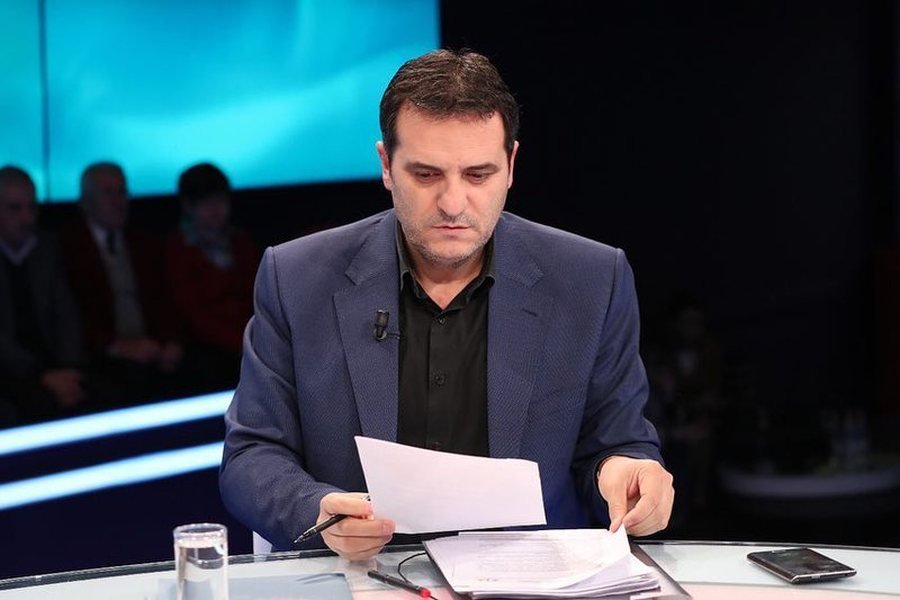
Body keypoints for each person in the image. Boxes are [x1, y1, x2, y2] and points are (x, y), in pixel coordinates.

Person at [220, 48, 674, 560]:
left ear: (511, 166)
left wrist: (627, 473)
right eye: (426, 175)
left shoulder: (591, 280)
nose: (453, 204)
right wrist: (316, 509)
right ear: (386, 165)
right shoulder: (296, 277)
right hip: (357, 576)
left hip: (531, 579)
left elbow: (616, 443)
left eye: (478, 175)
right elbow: (251, 455)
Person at [60, 162, 186, 403]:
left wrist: (172, 342)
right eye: (108, 193)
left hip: (152, 347)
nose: (118, 201)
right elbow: (73, 316)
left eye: (122, 191)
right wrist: (117, 346)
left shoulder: (144, 243)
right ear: (85, 202)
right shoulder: (69, 247)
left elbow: (165, 298)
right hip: (103, 354)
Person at [0, 166, 89, 423]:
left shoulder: (47, 247)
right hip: (11, 372)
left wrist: (69, 369)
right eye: (15, 209)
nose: (27, 218)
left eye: (32, 207)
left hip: (54, 365)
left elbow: (66, 313)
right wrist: (39, 374)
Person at [165, 162, 259, 390]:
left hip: (251, 338)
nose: (216, 209)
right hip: (208, 350)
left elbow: (257, 296)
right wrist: (242, 344)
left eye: (221, 201)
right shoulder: (178, 250)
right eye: (207, 203)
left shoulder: (241, 243)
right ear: (188, 206)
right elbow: (194, 315)